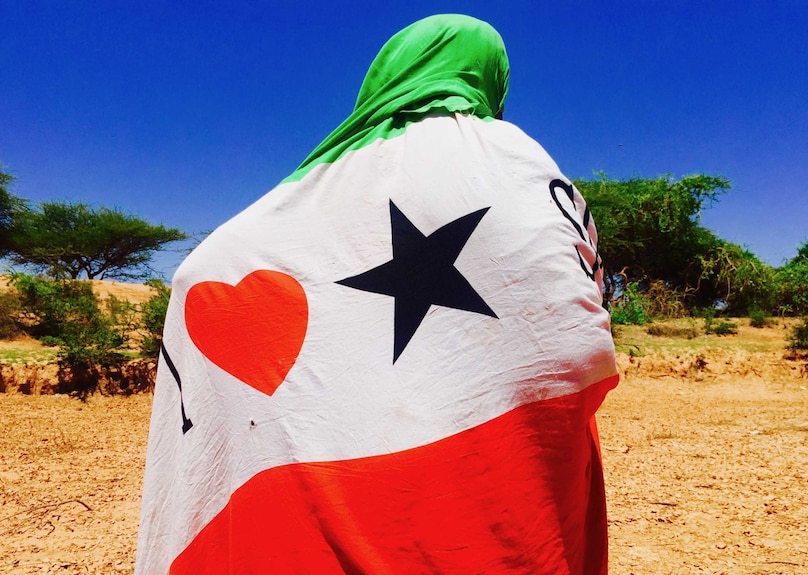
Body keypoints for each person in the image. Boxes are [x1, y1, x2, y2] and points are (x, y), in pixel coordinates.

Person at [135, 14, 618, 575]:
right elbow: (571, 327)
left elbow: (201, 270)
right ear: (492, 76)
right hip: (511, 465)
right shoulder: (517, 162)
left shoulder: (319, 189)